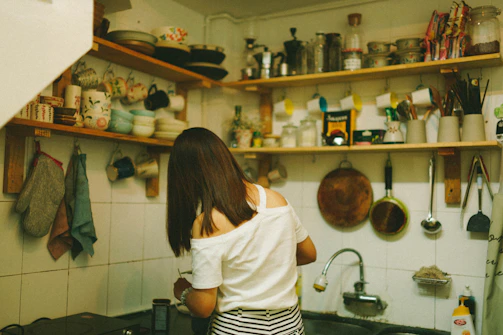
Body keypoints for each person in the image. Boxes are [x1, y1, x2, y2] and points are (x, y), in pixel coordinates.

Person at [167, 127, 317, 335]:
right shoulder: (276, 200)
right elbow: (309, 254)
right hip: (289, 326)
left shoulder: (208, 222)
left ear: (185, 178)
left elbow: (203, 306)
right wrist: (263, 268)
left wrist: (183, 292)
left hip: (238, 328)